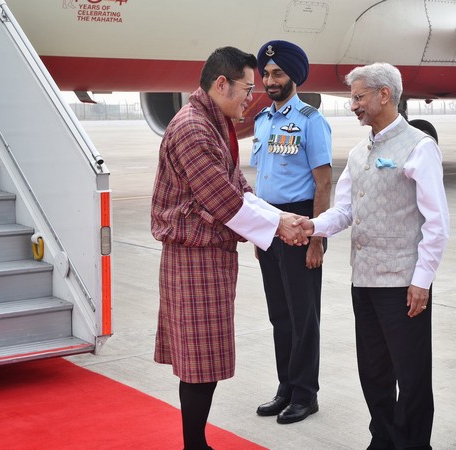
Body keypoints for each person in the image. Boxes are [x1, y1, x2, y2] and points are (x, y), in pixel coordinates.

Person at [150, 46, 308, 450]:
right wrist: (280, 225)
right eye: (246, 88)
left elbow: (239, 186)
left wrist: (277, 218)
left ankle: (196, 441)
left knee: (206, 359)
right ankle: (194, 444)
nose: (250, 97)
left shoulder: (213, 122)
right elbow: (222, 200)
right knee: (200, 362)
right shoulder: (192, 128)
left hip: (210, 257)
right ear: (221, 83)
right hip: (193, 258)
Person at [293, 63, 450, 449]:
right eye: (352, 98)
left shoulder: (419, 146)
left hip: (402, 284)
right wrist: (312, 227)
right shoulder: (360, 151)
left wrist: (422, 280)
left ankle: (413, 443)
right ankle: (382, 438)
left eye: (358, 97)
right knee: (374, 372)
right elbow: (345, 210)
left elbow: (437, 223)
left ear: (384, 95)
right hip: (363, 280)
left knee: (411, 376)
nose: (353, 106)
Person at [251, 40, 332, 424]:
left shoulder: (311, 121)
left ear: (293, 77)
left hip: (300, 224)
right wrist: (259, 232)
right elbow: (262, 181)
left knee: (304, 315)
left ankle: (305, 393)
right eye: (266, 74)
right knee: (279, 314)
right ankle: (285, 387)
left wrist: (318, 239)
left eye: (277, 73)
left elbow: (323, 183)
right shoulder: (262, 121)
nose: (270, 80)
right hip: (269, 225)